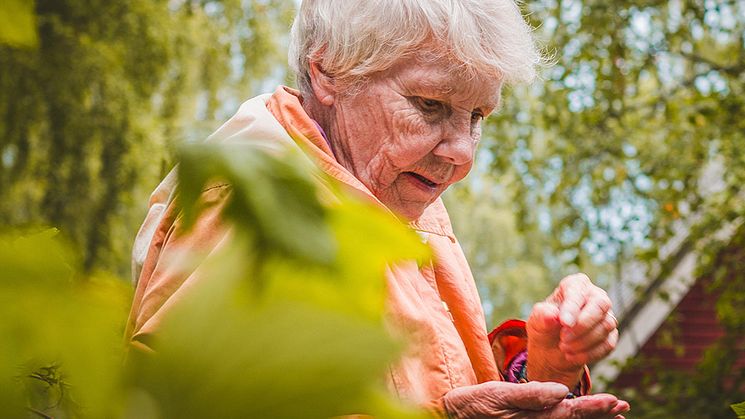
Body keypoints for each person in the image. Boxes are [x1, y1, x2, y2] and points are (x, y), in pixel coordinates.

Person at [127, 0, 630, 417]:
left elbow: (430, 382)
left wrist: (544, 370)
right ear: (329, 71)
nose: (462, 153)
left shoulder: (395, 190)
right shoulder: (254, 206)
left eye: (477, 116)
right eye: (429, 105)